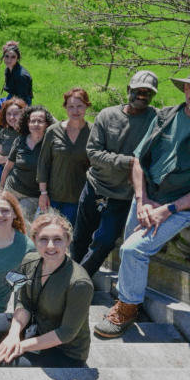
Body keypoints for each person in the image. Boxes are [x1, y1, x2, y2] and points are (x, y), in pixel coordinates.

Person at [94, 60, 190, 338]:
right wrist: (142, 199)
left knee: (133, 250)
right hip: (146, 198)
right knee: (129, 248)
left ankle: (126, 311)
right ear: (185, 88)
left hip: (179, 206)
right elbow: (138, 160)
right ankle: (129, 300)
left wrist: (167, 209)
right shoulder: (165, 116)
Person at [0, 209, 93, 367]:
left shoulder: (79, 283)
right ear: (34, 240)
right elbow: (24, 302)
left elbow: (66, 333)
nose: (50, 246)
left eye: (57, 239)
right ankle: (4, 347)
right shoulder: (30, 260)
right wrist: (13, 335)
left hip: (64, 350)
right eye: (43, 239)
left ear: (68, 241)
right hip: (35, 327)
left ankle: (0, 352)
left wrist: (20, 346)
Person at [72, 71, 159, 277]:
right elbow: (93, 153)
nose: (142, 95)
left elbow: (158, 155)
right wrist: (128, 162)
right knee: (80, 237)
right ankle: (70, 275)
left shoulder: (156, 119)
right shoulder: (107, 115)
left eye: (148, 93)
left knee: (105, 240)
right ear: (129, 90)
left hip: (123, 195)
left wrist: (140, 170)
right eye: (138, 90)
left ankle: (78, 281)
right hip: (96, 187)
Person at [38, 88, 92, 222]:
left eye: (79, 106)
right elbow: (43, 164)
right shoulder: (52, 131)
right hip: (53, 197)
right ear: (65, 108)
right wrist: (43, 194)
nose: (75, 111)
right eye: (71, 107)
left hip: (79, 198)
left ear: (86, 106)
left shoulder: (94, 131)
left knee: (69, 236)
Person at [0, 105, 55, 220]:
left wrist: (44, 194)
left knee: (21, 222)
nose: (35, 124)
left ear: (46, 124)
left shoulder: (50, 144)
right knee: (3, 218)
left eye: (40, 121)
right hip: (11, 188)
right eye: (32, 121)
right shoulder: (20, 140)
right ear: (27, 123)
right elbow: (8, 166)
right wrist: (0, 189)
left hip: (32, 194)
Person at [0, 98, 27, 187]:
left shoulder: (27, 133)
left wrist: (5, 159)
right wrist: (13, 160)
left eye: (16, 114)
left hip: (21, 174)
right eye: (8, 114)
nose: (11, 117)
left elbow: (26, 159)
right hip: (2, 173)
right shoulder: (3, 132)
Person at [0, 41, 33, 106]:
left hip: (20, 103)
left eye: (13, 57)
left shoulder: (21, 76)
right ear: (3, 57)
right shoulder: (8, 70)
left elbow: (24, 100)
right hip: (12, 97)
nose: (9, 60)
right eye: (7, 56)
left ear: (17, 58)